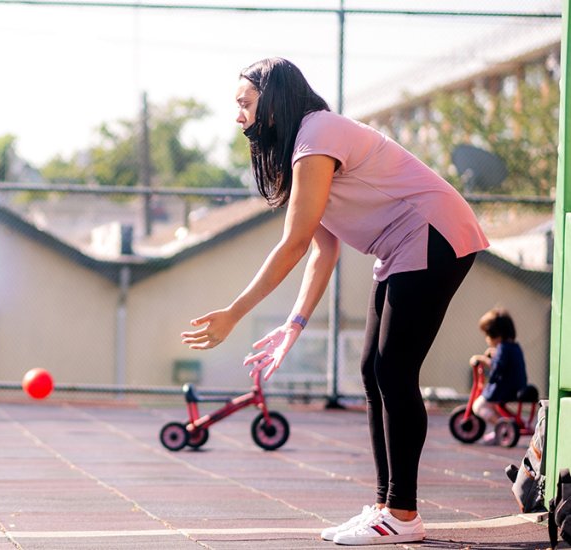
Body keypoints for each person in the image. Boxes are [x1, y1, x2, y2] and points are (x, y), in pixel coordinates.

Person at [180, 58, 487, 546]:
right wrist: (295, 323)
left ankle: (402, 515)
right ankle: (388, 507)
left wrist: (234, 313)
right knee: (373, 370)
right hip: (401, 246)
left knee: (393, 371)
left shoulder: (319, 133)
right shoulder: (302, 150)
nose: (238, 117)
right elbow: (322, 249)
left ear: (273, 102)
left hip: (434, 233)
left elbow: (294, 241)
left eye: (245, 104)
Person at [469, 308, 527, 444]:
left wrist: (482, 359)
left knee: (478, 406)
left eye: (488, 335)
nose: (487, 339)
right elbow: (506, 361)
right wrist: (495, 354)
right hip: (516, 386)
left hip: (504, 389)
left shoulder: (503, 348)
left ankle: (501, 427)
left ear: (497, 335)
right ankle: (500, 429)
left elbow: (497, 368)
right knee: (492, 406)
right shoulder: (513, 346)